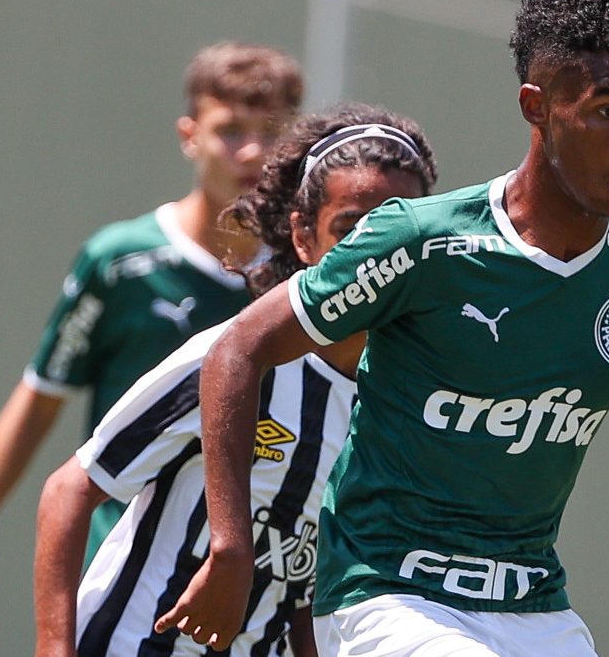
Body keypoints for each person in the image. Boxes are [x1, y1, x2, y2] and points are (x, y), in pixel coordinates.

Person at [156, 0, 609, 657]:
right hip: (385, 593)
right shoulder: (421, 240)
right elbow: (238, 348)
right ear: (537, 107)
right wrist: (229, 548)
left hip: (533, 601)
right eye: (608, 110)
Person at [0, 41, 304, 651]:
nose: (250, 151)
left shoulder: (303, 280)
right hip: (124, 558)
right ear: (189, 134)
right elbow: (40, 399)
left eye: (270, 131)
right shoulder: (122, 263)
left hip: (254, 572)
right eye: (230, 130)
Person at [32, 103, 439, 657]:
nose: (374, 254)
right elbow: (69, 491)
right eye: (349, 228)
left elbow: (303, 583)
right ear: (303, 236)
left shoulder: (402, 401)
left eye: (396, 230)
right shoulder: (236, 361)